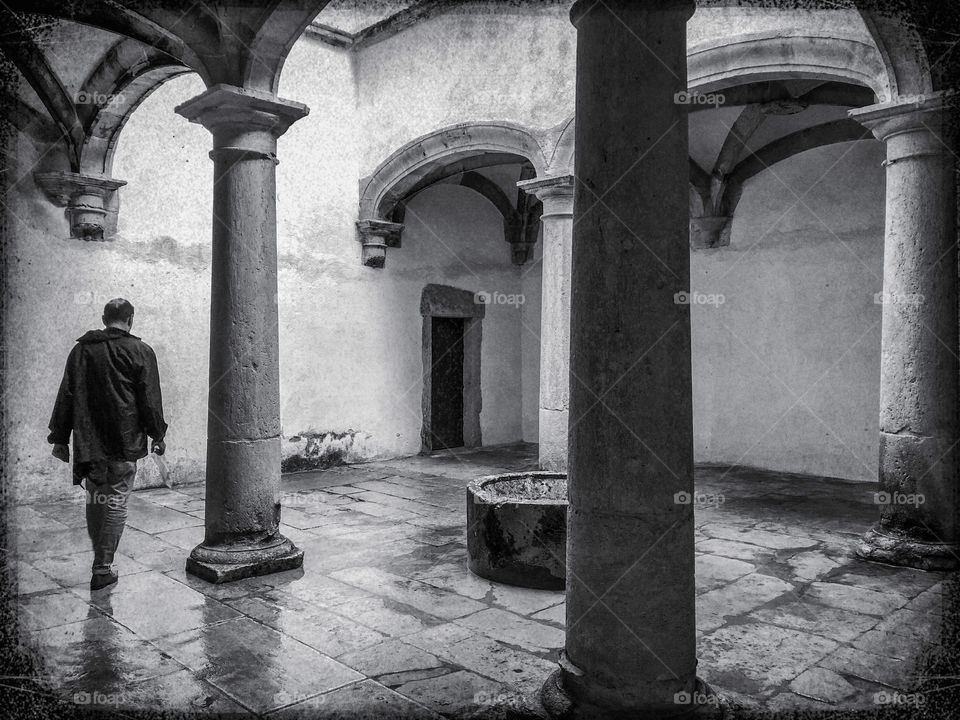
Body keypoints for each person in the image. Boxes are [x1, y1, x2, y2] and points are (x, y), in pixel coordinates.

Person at [48, 298, 167, 590]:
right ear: (131, 320)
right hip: (124, 442)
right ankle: (102, 568)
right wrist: (158, 435)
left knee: (96, 498)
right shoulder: (141, 351)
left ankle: (101, 561)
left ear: (103, 318)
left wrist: (61, 438)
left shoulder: (81, 351)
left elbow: (67, 395)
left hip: (90, 443)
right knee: (115, 501)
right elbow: (149, 399)